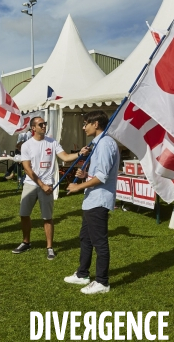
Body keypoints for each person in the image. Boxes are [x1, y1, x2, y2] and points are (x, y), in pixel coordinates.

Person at [11, 116, 85, 260]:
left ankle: (49, 247)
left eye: (45, 123)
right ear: (33, 128)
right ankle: (26, 242)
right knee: (24, 214)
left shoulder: (52, 142)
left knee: (47, 217)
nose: (44, 126)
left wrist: (79, 153)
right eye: (41, 124)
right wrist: (42, 185)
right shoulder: (26, 145)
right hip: (31, 184)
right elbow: (27, 169)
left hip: (48, 185)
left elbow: (65, 157)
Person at [64, 111, 119, 295]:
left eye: (86, 123)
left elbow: (102, 177)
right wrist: (86, 175)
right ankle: (83, 274)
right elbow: (99, 173)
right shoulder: (98, 143)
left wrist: (78, 187)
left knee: (99, 242)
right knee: (85, 239)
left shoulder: (104, 144)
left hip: (99, 200)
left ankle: (102, 282)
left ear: (96, 124)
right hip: (92, 200)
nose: (83, 126)